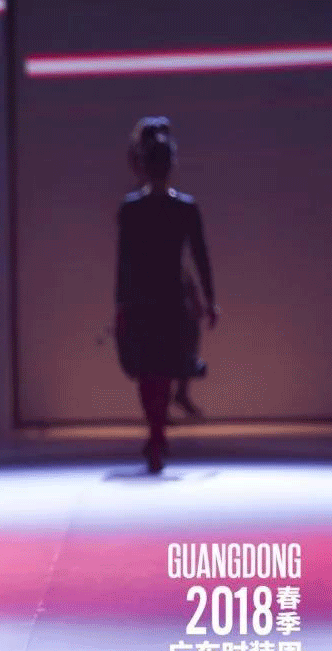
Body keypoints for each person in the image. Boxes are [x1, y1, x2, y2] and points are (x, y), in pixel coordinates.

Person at [115, 117, 218, 473]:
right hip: (171, 297)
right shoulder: (185, 207)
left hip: (143, 297)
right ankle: (158, 432)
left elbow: (124, 262)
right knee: (165, 365)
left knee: (149, 369)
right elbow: (201, 256)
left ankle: (156, 432)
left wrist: (121, 303)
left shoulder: (131, 208)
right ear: (172, 165)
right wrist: (210, 299)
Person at [125, 117, 208, 421]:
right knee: (165, 336)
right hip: (156, 278)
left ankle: (178, 388)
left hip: (168, 274)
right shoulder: (142, 195)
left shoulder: (154, 194)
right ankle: (167, 399)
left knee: (184, 327)